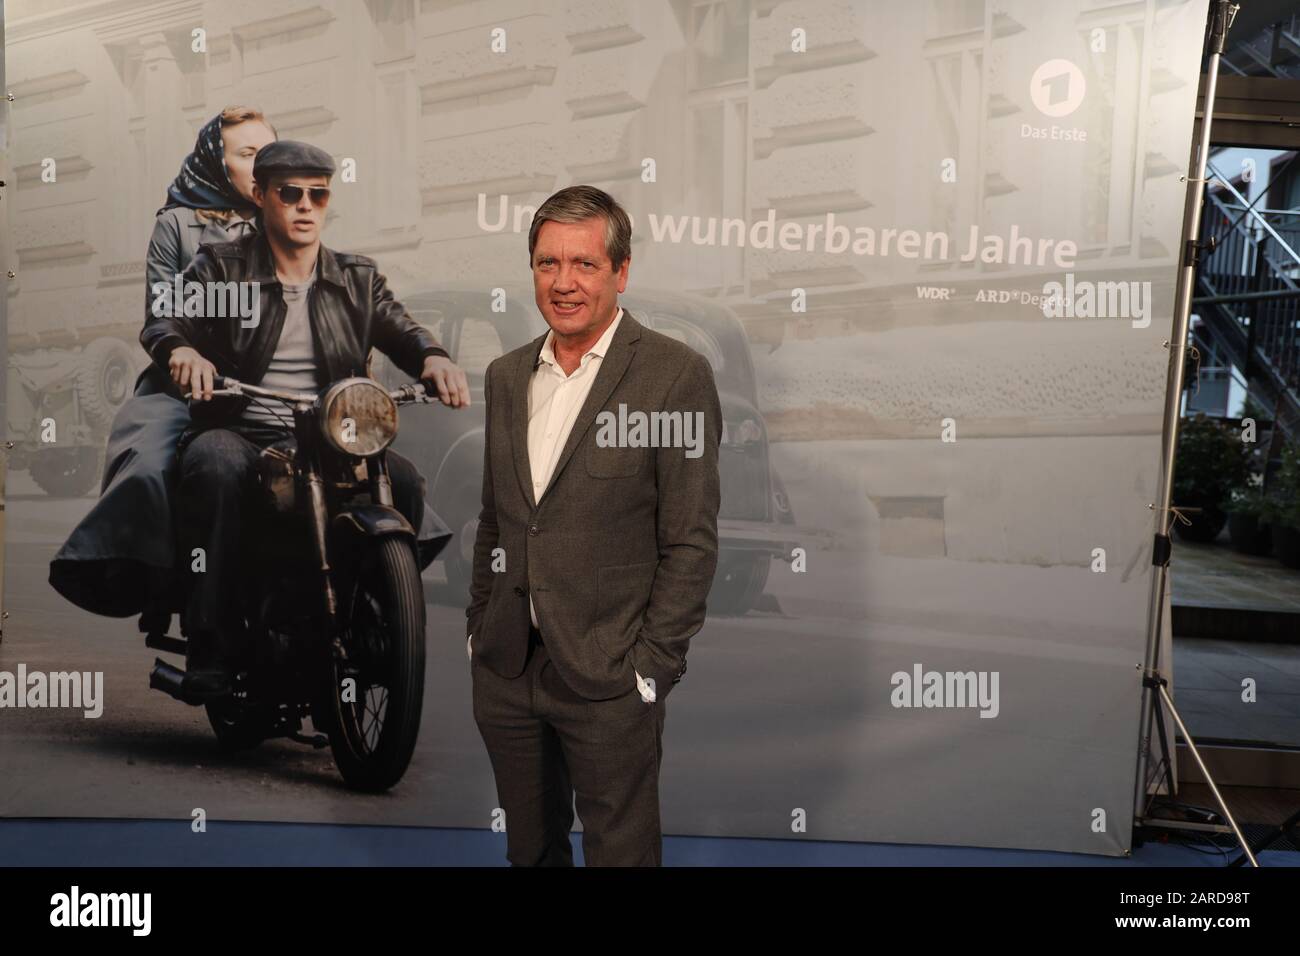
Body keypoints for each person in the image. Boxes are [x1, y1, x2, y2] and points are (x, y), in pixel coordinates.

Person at [141, 140, 470, 699]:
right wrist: (181, 349)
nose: (304, 206)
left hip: (332, 435)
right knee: (215, 468)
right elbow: (167, 317)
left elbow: (399, 327)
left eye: (317, 195)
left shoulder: (356, 278)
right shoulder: (222, 269)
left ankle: (369, 614)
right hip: (242, 426)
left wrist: (434, 357)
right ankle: (212, 642)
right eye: (290, 194)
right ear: (261, 196)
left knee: (407, 484)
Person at [465, 185, 722, 866]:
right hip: (508, 668)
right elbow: (497, 518)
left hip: (611, 676)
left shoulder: (675, 377)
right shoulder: (506, 376)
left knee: (621, 857)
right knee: (531, 854)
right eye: (548, 264)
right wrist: (479, 628)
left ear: (621, 271)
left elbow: (691, 541)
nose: (564, 283)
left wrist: (651, 669)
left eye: (583, 264)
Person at [49, 106, 277, 618]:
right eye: (248, 153)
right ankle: (156, 583)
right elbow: (162, 310)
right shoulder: (177, 225)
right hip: (186, 388)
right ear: (218, 162)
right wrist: (182, 350)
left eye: (269, 150)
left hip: (272, 389)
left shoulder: (286, 216)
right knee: (151, 466)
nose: (263, 163)